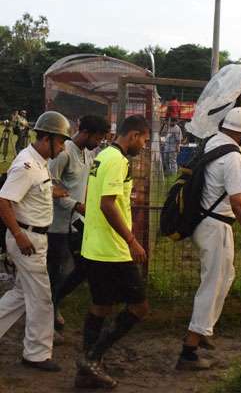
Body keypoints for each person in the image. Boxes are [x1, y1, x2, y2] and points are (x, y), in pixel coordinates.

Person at [177, 108, 241, 370]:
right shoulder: (232, 157)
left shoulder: (212, 142)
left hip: (203, 222)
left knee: (225, 277)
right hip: (216, 226)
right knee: (212, 285)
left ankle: (204, 329)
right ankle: (189, 350)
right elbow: (239, 204)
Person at [75, 115, 150, 389]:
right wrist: (131, 240)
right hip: (113, 250)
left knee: (101, 306)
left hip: (93, 246)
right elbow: (108, 204)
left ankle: (86, 373)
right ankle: (93, 358)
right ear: (133, 135)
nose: (143, 145)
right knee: (140, 307)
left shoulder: (103, 155)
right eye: (143, 139)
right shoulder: (118, 160)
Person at [0, 111, 71, 372]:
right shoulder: (26, 165)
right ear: (47, 138)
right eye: (61, 141)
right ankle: (37, 354)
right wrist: (19, 235)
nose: (63, 147)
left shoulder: (39, 162)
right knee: (42, 298)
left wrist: (53, 191)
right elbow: (4, 201)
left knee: (20, 294)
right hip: (27, 238)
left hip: (32, 237)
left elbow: (33, 190)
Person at [48, 115, 110, 331]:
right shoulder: (63, 153)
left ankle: (54, 303)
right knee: (57, 272)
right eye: (98, 137)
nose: (100, 142)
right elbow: (49, 186)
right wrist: (75, 204)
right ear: (86, 133)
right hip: (57, 225)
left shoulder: (88, 154)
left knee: (82, 267)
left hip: (78, 222)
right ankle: (48, 317)